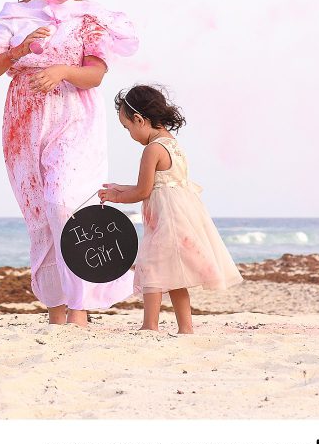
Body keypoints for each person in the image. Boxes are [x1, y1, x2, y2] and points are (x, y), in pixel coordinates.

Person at [0, 0, 139, 326]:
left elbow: (96, 73)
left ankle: (80, 309)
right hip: (24, 122)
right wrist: (20, 51)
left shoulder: (87, 16)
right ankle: (57, 313)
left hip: (74, 116)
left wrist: (63, 71)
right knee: (41, 216)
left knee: (64, 202)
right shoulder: (13, 16)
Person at [98, 84, 242, 333]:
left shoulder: (151, 149)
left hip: (166, 219)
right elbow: (158, 184)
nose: (129, 133)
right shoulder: (172, 143)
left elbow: (144, 191)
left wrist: (115, 197)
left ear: (139, 119)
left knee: (152, 267)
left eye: (127, 127)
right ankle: (186, 328)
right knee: (176, 275)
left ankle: (149, 325)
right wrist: (120, 187)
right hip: (180, 215)